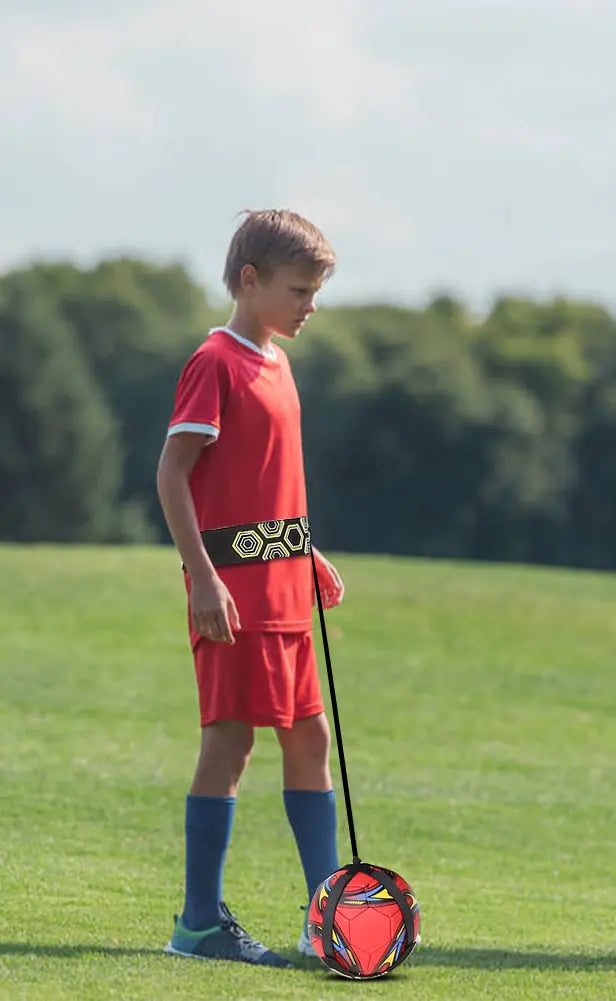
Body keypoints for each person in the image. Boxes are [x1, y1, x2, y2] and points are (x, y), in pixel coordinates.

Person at [157, 209, 345, 967]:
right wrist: (202, 578)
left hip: (283, 589)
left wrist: (305, 547)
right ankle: (198, 922)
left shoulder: (278, 360)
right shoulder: (216, 361)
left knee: (309, 736)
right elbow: (173, 473)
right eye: (299, 290)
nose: (309, 305)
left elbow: (264, 481)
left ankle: (324, 914)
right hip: (231, 594)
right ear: (249, 280)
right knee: (229, 743)